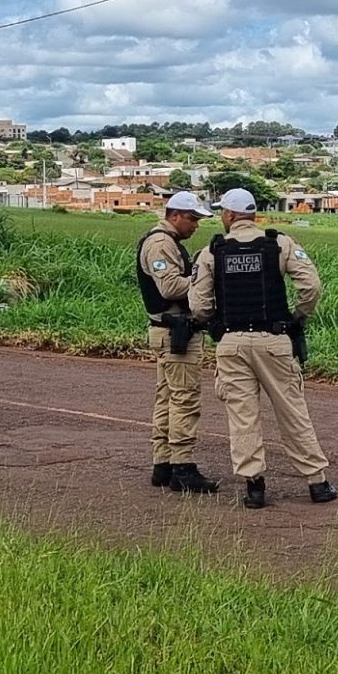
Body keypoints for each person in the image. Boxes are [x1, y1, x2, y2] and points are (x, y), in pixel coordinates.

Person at [188, 186, 333, 509]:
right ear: (252, 214)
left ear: (229, 215)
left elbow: (198, 304)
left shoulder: (212, 251)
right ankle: (317, 482)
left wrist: (211, 321)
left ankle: (254, 486)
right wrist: (298, 317)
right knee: (292, 411)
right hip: (274, 340)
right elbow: (311, 286)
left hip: (232, 343)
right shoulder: (279, 243)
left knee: (243, 416)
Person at [138, 190, 218, 493]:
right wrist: (203, 281)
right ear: (174, 215)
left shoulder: (166, 242)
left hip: (169, 331)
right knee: (184, 398)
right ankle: (182, 466)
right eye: (191, 218)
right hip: (175, 332)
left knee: (167, 398)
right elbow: (170, 287)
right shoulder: (161, 244)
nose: (195, 225)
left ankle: (164, 464)